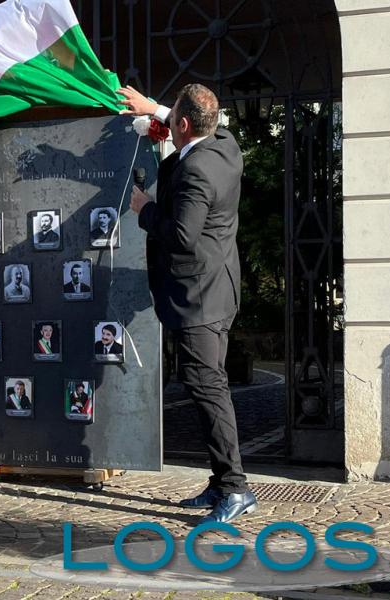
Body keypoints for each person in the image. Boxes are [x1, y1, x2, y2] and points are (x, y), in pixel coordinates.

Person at [119, 82, 256, 523]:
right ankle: (220, 483)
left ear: (182, 124)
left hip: (199, 299)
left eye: (172, 114)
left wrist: (144, 208)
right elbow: (193, 122)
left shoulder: (196, 171)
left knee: (207, 388)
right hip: (218, 289)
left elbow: (181, 235)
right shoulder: (226, 146)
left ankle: (235, 488)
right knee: (205, 384)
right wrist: (154, 109)